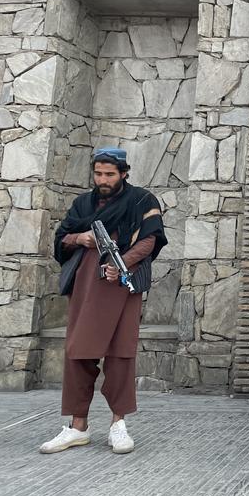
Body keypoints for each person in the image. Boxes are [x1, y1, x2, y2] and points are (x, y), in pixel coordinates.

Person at [40, 147, 167, 454]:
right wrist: (79, 238)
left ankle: (118, 426)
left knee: (120, 353)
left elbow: (149, 240)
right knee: (77, 352)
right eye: (98, 173)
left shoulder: (141, 200)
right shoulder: (83, 203)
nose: (103, 179)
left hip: (122, 285)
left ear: (124, 173)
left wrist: (121, 262)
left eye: (110, 174)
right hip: (86, 287)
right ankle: (77, 427)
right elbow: (62, 238)